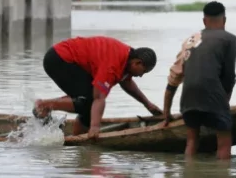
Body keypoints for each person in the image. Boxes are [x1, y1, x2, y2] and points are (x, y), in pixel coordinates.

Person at [32, 36, 162, 139]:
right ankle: (44, 106)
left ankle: (78, 138)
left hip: (68, 61)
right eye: (143, 72)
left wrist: (148, 104)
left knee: (90, 107)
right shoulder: (113, 65)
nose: (141, 76)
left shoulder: (127, 60)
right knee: (89, 102)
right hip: (59, 59)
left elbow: (127, 83)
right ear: (137, 62)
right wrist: (95, 127)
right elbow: (99, 97)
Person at [162, 1, 236, 160]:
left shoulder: (189, 41)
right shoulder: (230, 39)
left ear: (204, 21)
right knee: (224, 143)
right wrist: (225, 103)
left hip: (188, 99)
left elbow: (173, 79)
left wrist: (166, 113)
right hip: (213, 97)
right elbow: (229, 76)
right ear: (224, 20)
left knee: (191, 141)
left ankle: (189, 177)